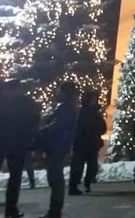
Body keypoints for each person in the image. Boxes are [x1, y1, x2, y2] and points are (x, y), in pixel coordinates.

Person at [0, 79, 40, 218]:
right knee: (14, 177)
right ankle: (11, 209)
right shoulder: (25, 103)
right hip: (16, 144)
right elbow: (33, 122)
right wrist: (29, 140)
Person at [36, 81, 79, 218]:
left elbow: (57, 125)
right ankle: (54, 210)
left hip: (57, 146)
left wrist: (42, 131)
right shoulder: (68, 106)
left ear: (65, 92)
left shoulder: (67, 107)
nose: (56, 93)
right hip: (57, 146)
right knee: (55, 179)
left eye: (59, 90)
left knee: (56, 179)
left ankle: (54, 211)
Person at [69, 91, 106, 195]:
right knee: (78, 165)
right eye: (93, 98)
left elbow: (102, 127)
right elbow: (77, 127)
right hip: (82, 142)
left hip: (92, 142)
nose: (94, 100)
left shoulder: (95, 113)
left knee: (91, 165)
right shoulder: (81, 112)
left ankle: (87, 183)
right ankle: (74, 185)